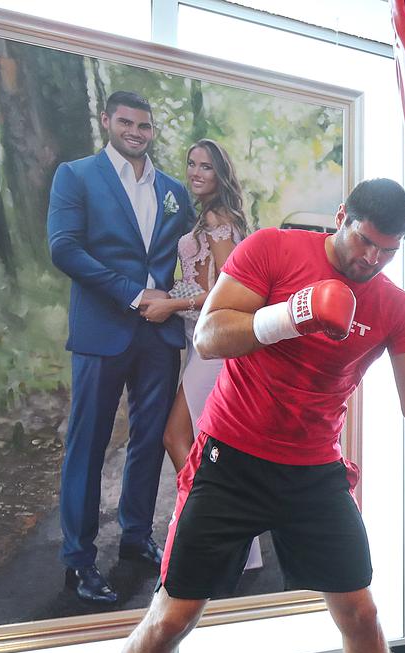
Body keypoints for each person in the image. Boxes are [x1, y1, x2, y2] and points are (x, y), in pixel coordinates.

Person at [78, 178, 405, 653]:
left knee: (361, 613)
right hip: (232, 460)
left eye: (388, 251)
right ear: (342, 218)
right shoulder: (272, 250)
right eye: (365, 241)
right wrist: (293, 312)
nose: (372, 259)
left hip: (313, 468)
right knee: (172, 618)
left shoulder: (395, 307)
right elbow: (209, 335)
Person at [48, 91, 195, 605]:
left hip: (159, 335)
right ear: (107, 120)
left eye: (145, 125)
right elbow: (64, 248)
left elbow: (191, 257)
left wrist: (175, 301)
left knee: (150, 440)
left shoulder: (173, 190)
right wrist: (134, 294)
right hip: (102, 330)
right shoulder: (76, 175)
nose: (136, 132)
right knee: (87, 444)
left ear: (152, 130)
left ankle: (136, 537)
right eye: (126, 122)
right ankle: (78, 560)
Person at [163, 139, 262, 570]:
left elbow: (224, 294)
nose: (196, 172)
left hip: (212, 349)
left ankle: (211, 529)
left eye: (205, 166)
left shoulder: (219, 220)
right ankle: (230, 539)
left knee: (177, 437)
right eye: (191, 164)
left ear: (220, 174)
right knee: (214, 445)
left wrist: (171, 304)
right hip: (196, 344)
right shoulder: (208, 217)